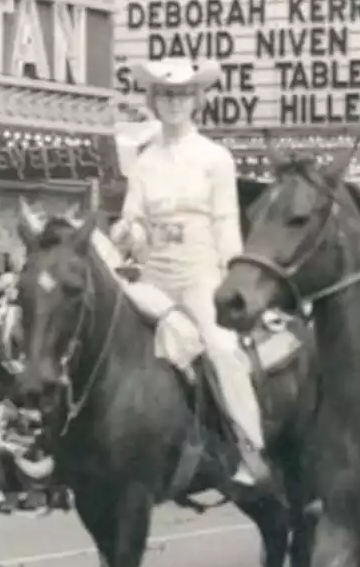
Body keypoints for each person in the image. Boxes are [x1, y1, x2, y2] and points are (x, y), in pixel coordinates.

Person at [110, 58, 274, 493]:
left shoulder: (215, 158)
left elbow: (226, 223)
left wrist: (234, 281)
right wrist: (129, 230)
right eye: (166, 95)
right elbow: (135, 220)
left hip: (201, 275)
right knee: (111, 334)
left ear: (196, 100)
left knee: (220, 349)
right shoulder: (144, 162)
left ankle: (249, 447)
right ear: (155, 101)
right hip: (155, 277)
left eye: (182, 94)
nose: (174, 103)